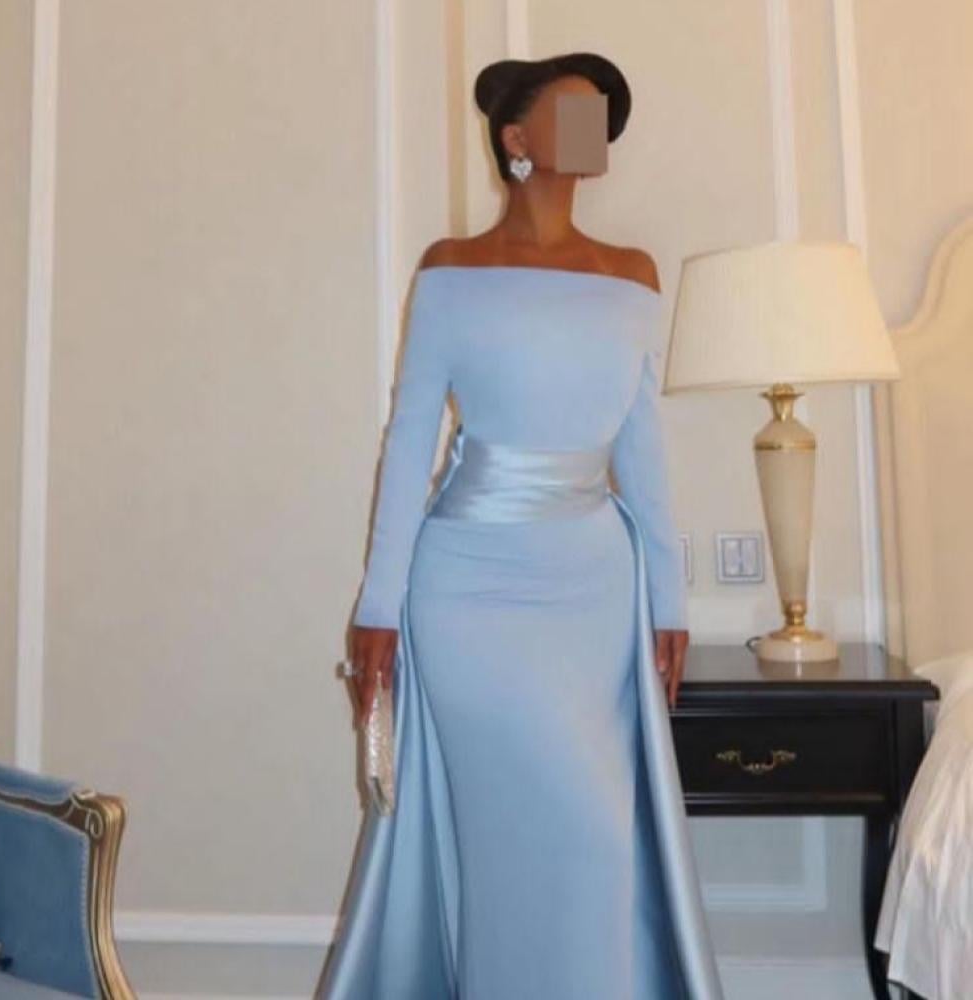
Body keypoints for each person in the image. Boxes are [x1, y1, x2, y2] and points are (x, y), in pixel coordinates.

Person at [316, 51, 724, 1000]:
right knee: (503, 837)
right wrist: (377, 608)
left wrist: (670, 601)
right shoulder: (451, 271)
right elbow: (408, 442)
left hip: (593, 595)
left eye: (602, 115)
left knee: (595, 834)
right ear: (515, 138)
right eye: (574, 111)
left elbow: (643, 451)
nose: (596, 128)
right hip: (467, 590)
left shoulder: (632, 276)